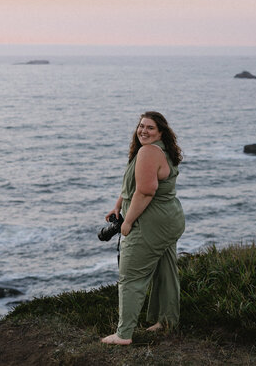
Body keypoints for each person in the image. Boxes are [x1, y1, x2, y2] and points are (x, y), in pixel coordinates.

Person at [101, 111, 186, 345]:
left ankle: (123, 334)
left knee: (130, 276)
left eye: (150, 128)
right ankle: (166, 321)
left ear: (160, 132)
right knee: (166, 271)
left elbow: (146, 190)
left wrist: (127, 222)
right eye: (141, 126)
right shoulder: (162, 150)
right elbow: (135, 184)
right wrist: (118, 206)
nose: (143, 131)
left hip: (151, 224)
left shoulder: (148, 151)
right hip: (170, 220)